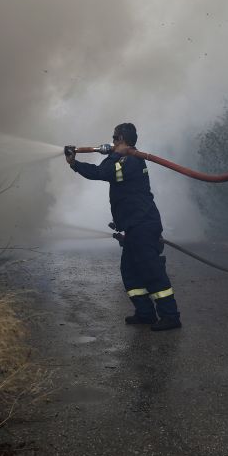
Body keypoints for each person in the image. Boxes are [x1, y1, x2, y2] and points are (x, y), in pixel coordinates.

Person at [65, 122, 182, 331]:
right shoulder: (125, 159)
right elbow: (103, 172)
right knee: (130, 271)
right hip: (134, 226)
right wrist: (74, 163)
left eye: (114, 138)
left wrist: (109, 155)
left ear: (120, 139)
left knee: (151, 270)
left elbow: (103, 172)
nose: (111, 142)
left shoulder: (131, 160)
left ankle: (171, 316)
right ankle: (145, 313)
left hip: (144, 225)